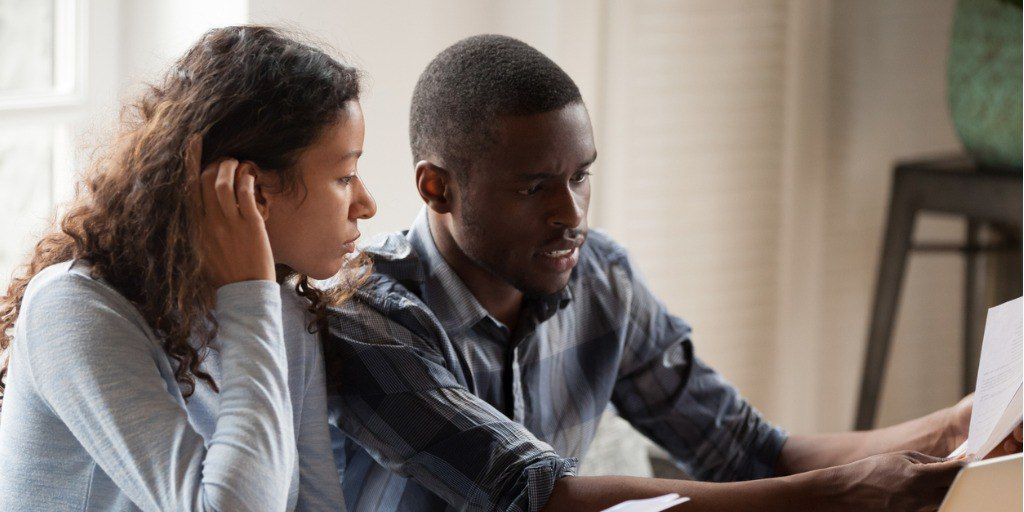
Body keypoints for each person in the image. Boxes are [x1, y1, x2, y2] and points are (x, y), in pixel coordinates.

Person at [324, 34, 1022, 512]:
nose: (573, 214)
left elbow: (747, 450)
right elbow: (535, 496)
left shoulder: (600, 278)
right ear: (436, 188)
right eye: (536, 187)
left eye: (581, 177)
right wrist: (844, 494)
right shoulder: (367, 315)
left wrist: (948, 427)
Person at [0, 25, 374, 511]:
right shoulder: (71, 308)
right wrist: (249, 297)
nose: (366, 203)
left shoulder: (282, 312)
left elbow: (318, 505)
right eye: (344, 176)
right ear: (250, 189)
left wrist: (255, 300)